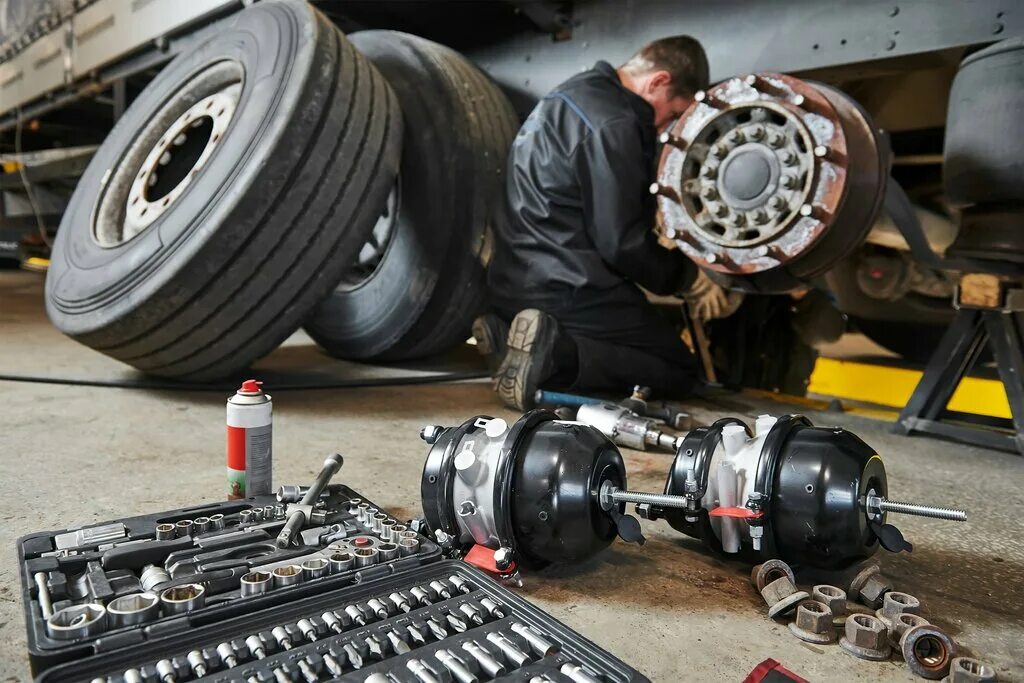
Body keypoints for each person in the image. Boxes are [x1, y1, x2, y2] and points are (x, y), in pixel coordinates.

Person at [474, 36, 739, 410]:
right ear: (658, 81)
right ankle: (554, 354)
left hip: (514, 277)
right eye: (673, 112)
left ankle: (509, 335)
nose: (666, 126)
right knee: (679, 369)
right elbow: (621, 243)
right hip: (566, 287)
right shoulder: (617, 121)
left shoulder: (571, 94)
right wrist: (687, 279)